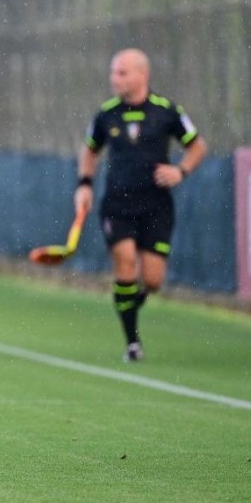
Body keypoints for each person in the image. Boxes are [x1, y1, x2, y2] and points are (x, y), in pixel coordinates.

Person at [74, 48, 207, 362]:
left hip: (156, 206)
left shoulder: (167, 111)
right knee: (125, 263)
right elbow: (90, 151)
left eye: (121, 73)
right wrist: (84, 185)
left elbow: (198, 146)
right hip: (117, 205)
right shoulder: (106, 114)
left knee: (153, 280)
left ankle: (130, 302)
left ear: (141, 75)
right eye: (113, 72)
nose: (114, 79)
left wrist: (181, 170)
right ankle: (132, 343)